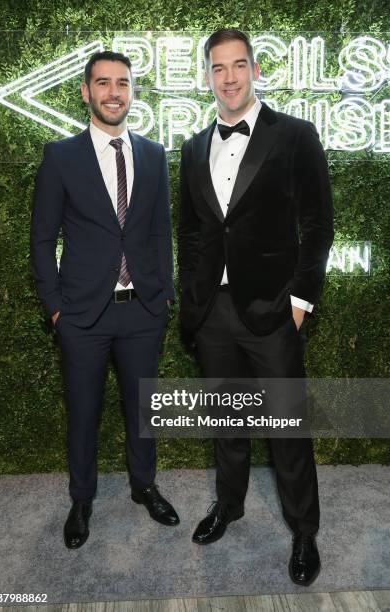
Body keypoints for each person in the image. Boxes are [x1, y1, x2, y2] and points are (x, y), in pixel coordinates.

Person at [178, 29, 334, 586]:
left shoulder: (295, 135)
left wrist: (299, 301)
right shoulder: (194, 146)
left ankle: (304, 531)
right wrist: (193, 302)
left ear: (256, 68)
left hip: (273, 311)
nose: (229, 77)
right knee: (227, 421)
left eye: (238, 65)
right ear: (207, 77)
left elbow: (318, 225)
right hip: (212, 313)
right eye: (218, 68)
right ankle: (230, 505)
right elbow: (193, 234)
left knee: (287, 428)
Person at [31, 51, 179, 550]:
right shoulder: (61, 156)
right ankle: (82, 499)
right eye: (103, 83)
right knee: (84, 411)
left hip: (142, 310)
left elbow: (160, 233)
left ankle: (145, 487)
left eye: (122, 82)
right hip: (81, 315)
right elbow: (41, 238)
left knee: (144, 410)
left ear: (132, 91)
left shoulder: (155, 154)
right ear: (85, 91)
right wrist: (55, 306)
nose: (113, 91)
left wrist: (164, 297)